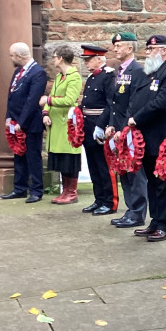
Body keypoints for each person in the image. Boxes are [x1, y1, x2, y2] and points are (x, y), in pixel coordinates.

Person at [119, 34, 166, 241]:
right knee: (151, 183)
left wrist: (136, 118)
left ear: (163, 50)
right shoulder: (150, 73)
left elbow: (161, 103)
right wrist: (130, 119)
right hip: (144, 136)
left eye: (151, 49)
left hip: (159, 136)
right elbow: (135, 99)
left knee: (161, 182)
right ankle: (155, 221)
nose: (147, 53)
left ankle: (165, 225)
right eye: (147, 49)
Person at [106, 32, 148, 228]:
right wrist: (111, 125)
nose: (115, 49)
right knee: (123, 169)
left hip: (130, 131)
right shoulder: (120, 71)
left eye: (119, 45)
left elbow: (134, 103)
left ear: (130, 48)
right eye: (115, 45)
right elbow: (115, 103)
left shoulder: (137, 71)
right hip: (118, 130)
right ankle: (130, 209)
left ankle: (138, 212)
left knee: (134, 172)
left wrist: (123, 129)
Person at [2, 42, 47, 203]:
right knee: (18, 155)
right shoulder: (18, 71)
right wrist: (9, 118)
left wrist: (21, 122)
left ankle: (36, 190)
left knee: (33, 157)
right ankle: (19, 188)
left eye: (12, 55)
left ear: (20, 56)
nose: (10, 58)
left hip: (30, 123)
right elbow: (11, 97)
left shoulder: (38, 73)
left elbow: (32, 100)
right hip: (15, 121)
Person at [40, 44, 83, 205]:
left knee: (69, 158)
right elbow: (51, 95)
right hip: (56, 124)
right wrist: (45, 113)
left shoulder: (74, 77)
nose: (53, 60)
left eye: (55, 57)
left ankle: (71, 192)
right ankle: (65, 191)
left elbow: (69, 100)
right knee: (61, 159)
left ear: (61, 58)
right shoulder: (59, 76)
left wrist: (49, 101)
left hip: (68, 125)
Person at [78, 44, 118, 215]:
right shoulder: (92, 77)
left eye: (88, 59)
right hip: (88, 125)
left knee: (104, 165)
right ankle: (99, 199)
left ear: (98, 59)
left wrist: (101, 125)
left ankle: (109, 202)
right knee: (93, 165)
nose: (86, 63)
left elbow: (110, 103)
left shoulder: (108, 76)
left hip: (99, 124)